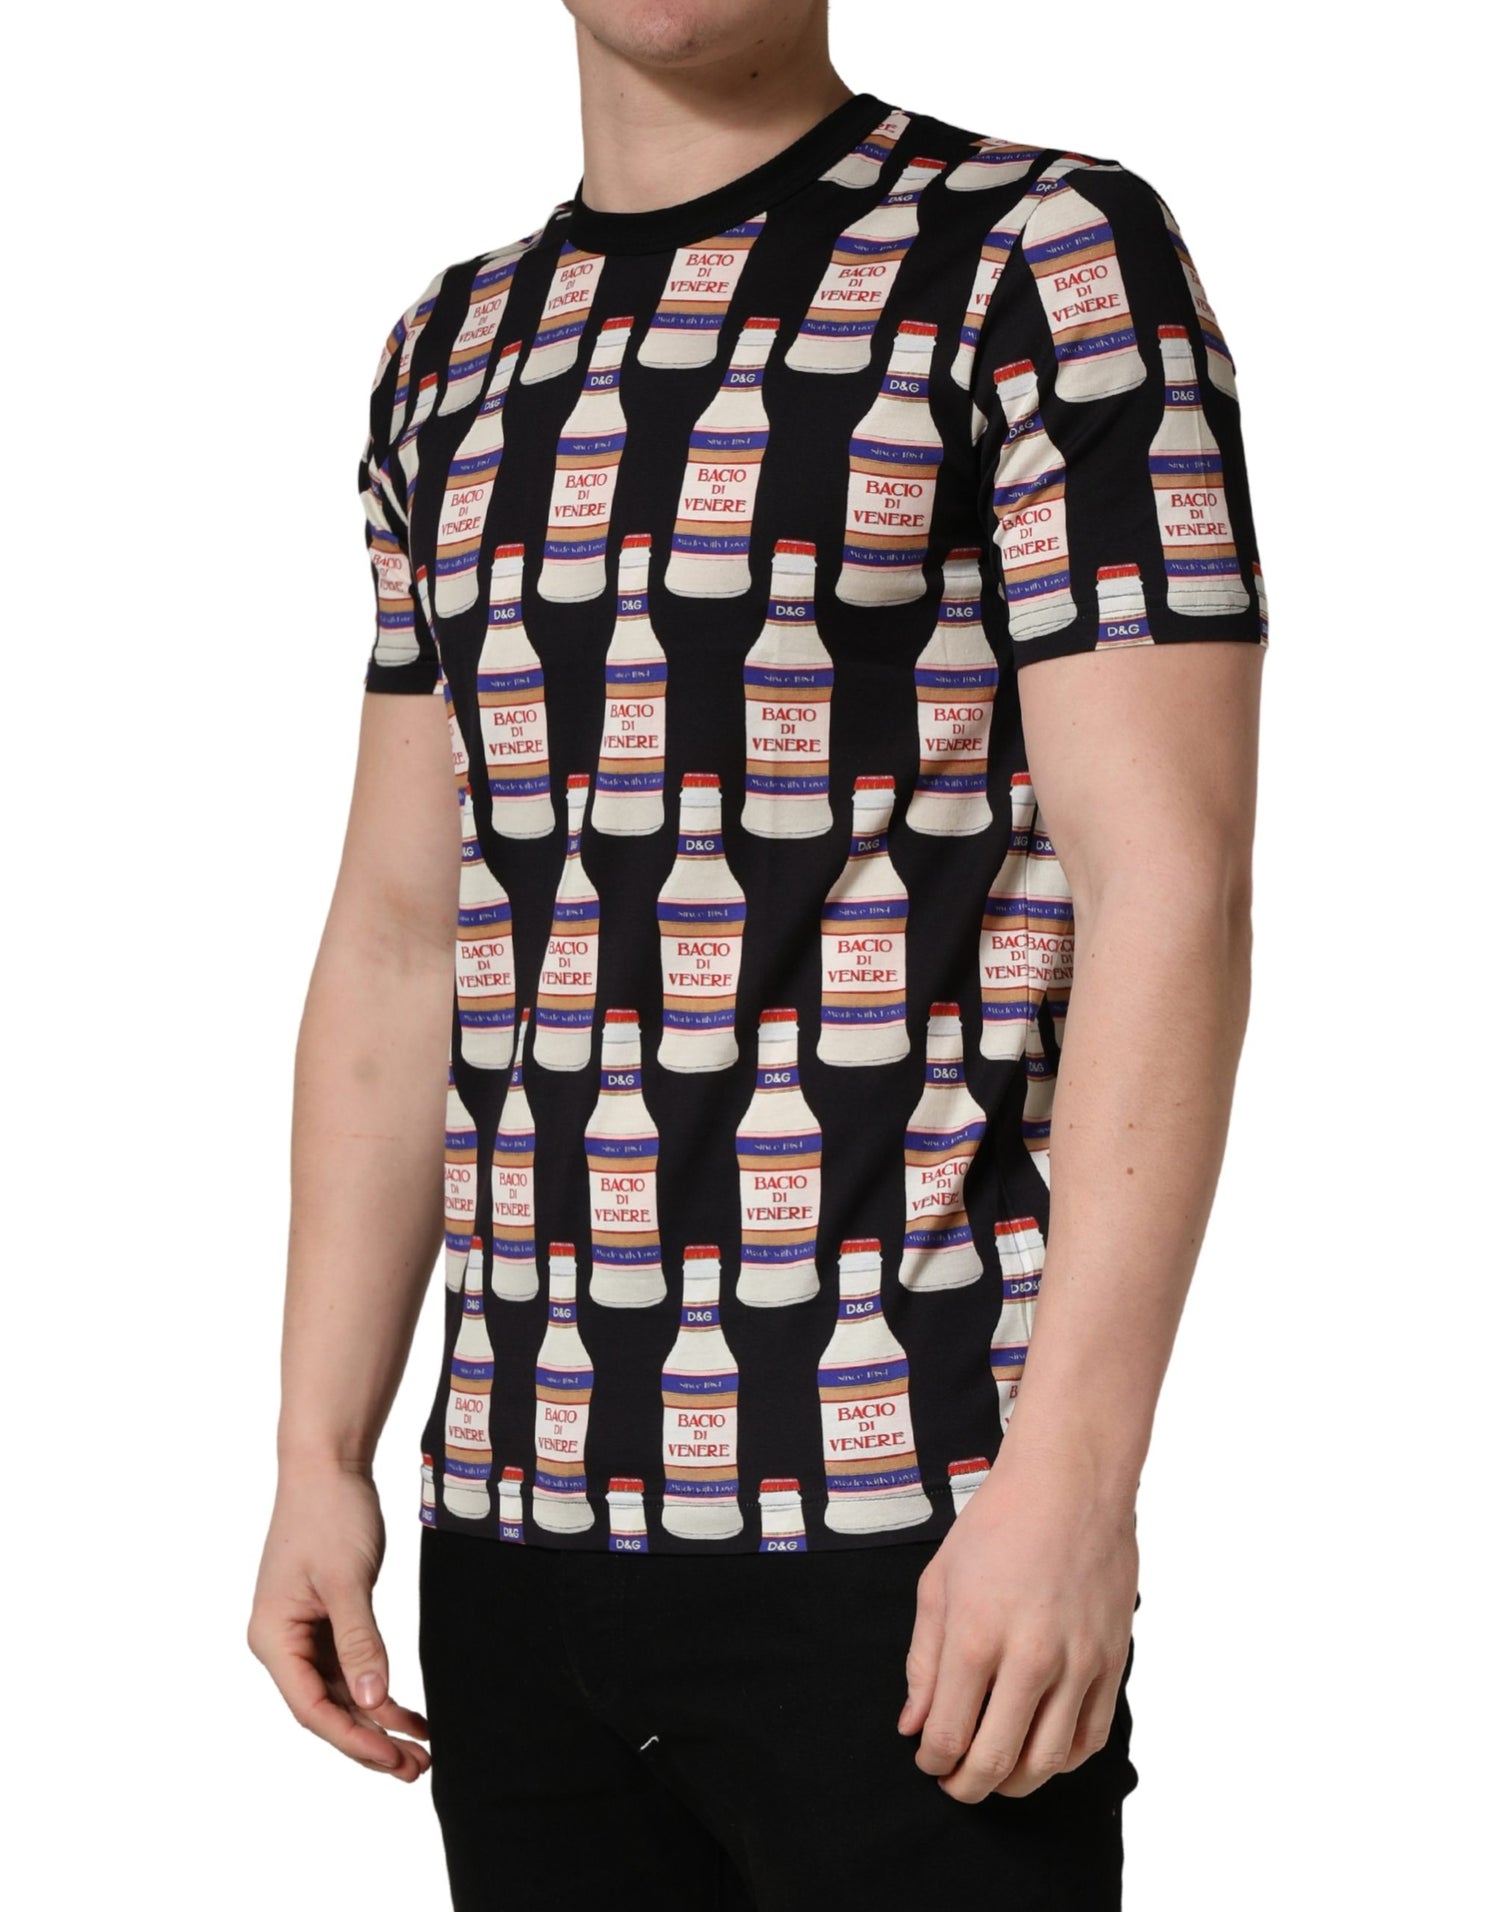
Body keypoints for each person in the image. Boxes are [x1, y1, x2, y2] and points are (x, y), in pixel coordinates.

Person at [247, 2, 1266, 1904]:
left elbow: (1173, 884)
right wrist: (319, 1447)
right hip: (514, 1539)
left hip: (912, 1532)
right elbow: (400, 934)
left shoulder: (1038, 255)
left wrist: (1072, 1482)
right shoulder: (450, 349)